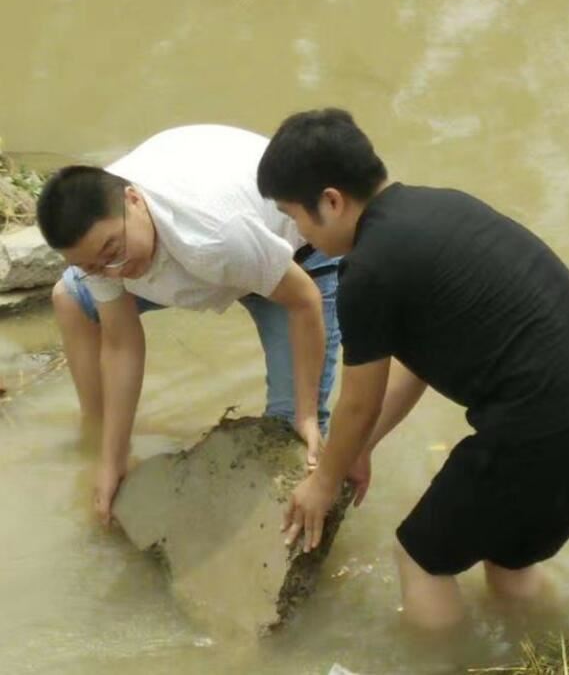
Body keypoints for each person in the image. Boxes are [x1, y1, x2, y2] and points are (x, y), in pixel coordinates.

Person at [256, 107, 569, 630]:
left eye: (295, 216)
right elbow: (420, 366)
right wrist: (359, 448)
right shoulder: (441, 209)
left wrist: (323, 483)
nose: (299, 235)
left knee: (420, 559)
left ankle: (448, 663)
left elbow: (359, 401)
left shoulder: (368, 270)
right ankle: (537, 652)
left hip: (541, 433)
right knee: (509, 562)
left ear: (331, 201)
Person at [37, 124, 341, 525]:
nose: (112, 270)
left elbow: (304, 302)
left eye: (113, 252)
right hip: (215, 251)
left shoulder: (213, 236)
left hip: (292, 257)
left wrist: (306, 414)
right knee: (71, 298)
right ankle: (97, 435)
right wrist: (112, 457)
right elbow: (121, 344)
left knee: (291, 436)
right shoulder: (101, 246)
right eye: (92, 266)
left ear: (134, 200)